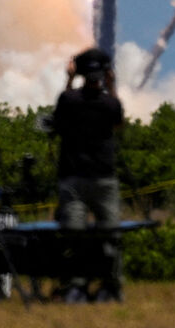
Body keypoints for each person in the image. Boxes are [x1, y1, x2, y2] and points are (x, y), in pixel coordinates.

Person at [51, 47, 125, 303]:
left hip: (74, 179)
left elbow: (57, 121)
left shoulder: (69, 100)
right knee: (109, 234)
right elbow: (118, 119)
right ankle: (109, 284)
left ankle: (77, 285)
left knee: (75, 235)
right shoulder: (109, 103)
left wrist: (69, 79)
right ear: (105, 74)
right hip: (103, 179)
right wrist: (112, 84)